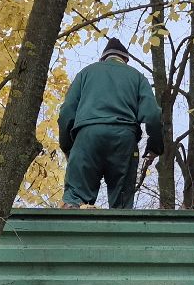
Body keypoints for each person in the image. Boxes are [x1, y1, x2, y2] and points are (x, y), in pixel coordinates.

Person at [58, 38, 164, 209]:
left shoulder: (85, 74)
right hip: (124, 139)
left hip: (87, 137)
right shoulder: (137, 77)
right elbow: (152, 114)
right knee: (122, 205)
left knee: (75, 197)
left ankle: (71, 221)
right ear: (125, 59)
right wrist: (155, 146)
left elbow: (66, 112)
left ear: (103, 58)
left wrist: (68, 146)